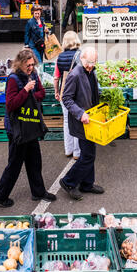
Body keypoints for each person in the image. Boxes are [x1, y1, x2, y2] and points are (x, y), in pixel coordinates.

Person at [0, 49, 56, 208]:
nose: (31, 68)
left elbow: (41, 93)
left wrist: (31, 93)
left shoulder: (34, 75)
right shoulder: (13, 79)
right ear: (20, 64)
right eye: (28, 65)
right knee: (14, 163)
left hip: (30, 125)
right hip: (17, 128)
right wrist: (26, 90)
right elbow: (11, 104)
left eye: (33, 65)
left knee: (34, 160)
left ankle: (38, 192)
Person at [59, 47, 104, 201]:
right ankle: (68, 182)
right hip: (82, 121)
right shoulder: (75, 74)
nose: (90, 66)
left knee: (89, 153)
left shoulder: (91, 71)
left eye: (93, 63)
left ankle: (87, 184)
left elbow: (92, 92)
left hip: (92, 120)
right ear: (82, 59)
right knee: (88, 155)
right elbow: (67, 99)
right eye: (88, 63)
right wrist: (80, 113)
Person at [54, 31, 81, 160]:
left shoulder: (60, 57)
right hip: (77, 93)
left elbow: (56, 78)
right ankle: (77, 152)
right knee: (77, 121)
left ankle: (68, 149)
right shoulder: (80, 55)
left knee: (66, 121)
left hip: (64, 92)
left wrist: (56, 92)